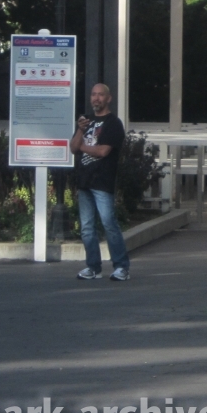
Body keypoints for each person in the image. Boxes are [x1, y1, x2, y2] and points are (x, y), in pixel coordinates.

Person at [69, 83, 131, 281]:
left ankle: (121, 267)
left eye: (101, 95)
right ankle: (93, 267)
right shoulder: (85, 121)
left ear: (108, 98)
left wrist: (81, 147)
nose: (96, 98)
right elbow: (72, 147)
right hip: (84, 181)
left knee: (108, 224)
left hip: (102, 181)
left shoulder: (113, 123)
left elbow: (103, 151)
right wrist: (80, 132)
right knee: (87, 227)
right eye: (93, 95)